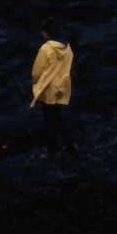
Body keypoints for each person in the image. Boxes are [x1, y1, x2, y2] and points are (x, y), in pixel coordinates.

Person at [30, 17, 79, 157]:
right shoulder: (67, 48)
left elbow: (36, 71)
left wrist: (36, 84)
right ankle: (71, 145)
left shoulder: (46, 48)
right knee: (57, 117)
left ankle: (53, 151)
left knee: (49, 120)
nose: (42, 34)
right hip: (62, 87)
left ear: (47, 32)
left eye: (43, 31)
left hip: (49, 89)